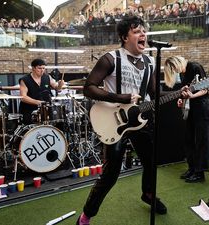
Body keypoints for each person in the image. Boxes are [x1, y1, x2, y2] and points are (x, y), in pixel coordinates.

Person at [77, 16, 167, 225]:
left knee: (151, 162)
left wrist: (180, 94)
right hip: (114, 122)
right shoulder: (111, 58)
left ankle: (148, 194)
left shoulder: (150, 62)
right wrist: (119, 97)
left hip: (140, 121)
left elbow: (153, 93)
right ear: (124, 37)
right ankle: (85, 216)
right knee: (110, 175)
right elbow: (88, 87)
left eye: (144, 31)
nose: (142, 34)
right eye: (137, 31)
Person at [164, 56, 209, 183]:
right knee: (188, 139)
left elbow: (206, 87)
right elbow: (186, 92)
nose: (175, 72)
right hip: (190, 109)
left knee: (201, 139)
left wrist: (192, 95)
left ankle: (200, 173)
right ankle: (192, 168)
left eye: (173, 69)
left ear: (176, 64)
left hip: (201, 107)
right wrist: (182, 99)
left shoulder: (195, 67)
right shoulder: (184, 74)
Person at [19, 59, 64, 125]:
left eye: (43, 68)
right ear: (33, 68)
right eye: (39, 68)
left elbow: (57, 88)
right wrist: (38, 102)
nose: (42, 70)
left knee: (59, 122)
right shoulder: (25, 80)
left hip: (45, 110)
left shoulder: (47, 77)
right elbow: (23, 97)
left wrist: (60, 85)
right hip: (29, 109)